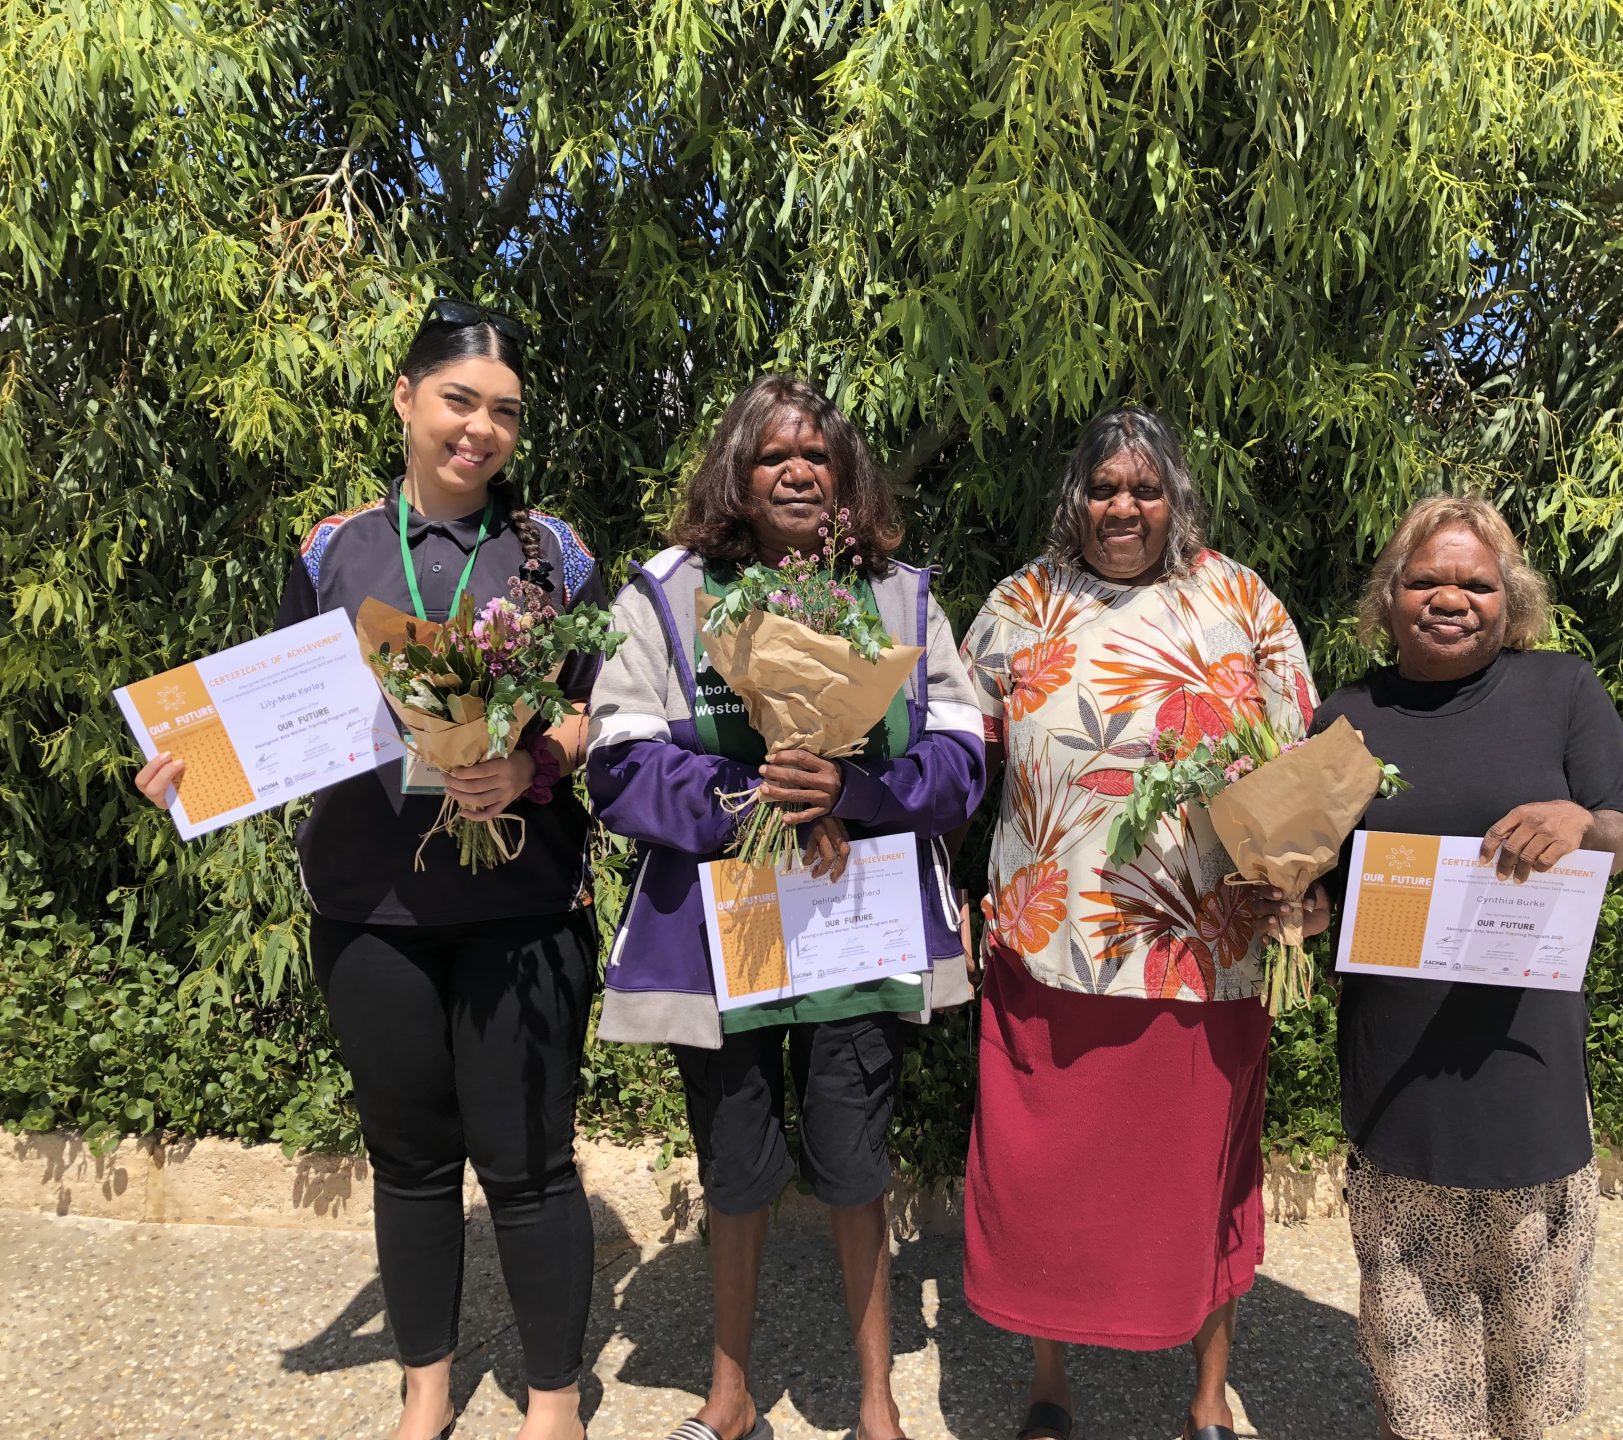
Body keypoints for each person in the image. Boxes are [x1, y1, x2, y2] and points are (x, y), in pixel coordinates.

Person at [132, 300, 605, 1440]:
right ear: (405, 399)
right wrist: (189, 766)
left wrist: (533, 758)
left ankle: (553, 1405)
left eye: (503, 413)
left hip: (522, 902)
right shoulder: (331, 547)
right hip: (371, 907)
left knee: (532, 1166)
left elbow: (596, 710)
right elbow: (273, 707)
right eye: (458, 401)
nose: (479, 430)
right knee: (408, 1161)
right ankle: (426, 1395)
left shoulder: (554, 553)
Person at [585, 375, 985, 1440]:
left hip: (855, 911)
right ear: (737, 475)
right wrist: (745, 799)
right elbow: (620, 763)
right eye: (773, 456)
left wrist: (851, 791)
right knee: (736, 1163)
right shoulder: (667, 594)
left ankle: (875, 1402)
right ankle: (729, 1397)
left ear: (848, 477)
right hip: (726, 923)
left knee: (856, 1160)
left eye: (818, 455)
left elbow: (962, 757)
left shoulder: (901, 596)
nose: (798, 471)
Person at [958, 408, 1324, 1440]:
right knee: (1047, 1187)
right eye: (1104, 486)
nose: (1124, 505)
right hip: (1049, 941)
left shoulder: (1240, 599)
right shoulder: (1020, 603)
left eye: (1145, 488)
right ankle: (1048, 1384)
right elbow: (952, 757)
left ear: (1177, 500)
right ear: (1074, 495)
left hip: (1201, 950)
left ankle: (1208, 1400)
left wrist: (1293, 874)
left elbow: (1298, 767)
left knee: (1202, 1179)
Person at [1312, 495, 1623, 1440]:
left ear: (1512, 600)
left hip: (1526, 1065)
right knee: (1415, 1359)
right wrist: (1292, 908)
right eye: (1425, 580)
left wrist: (1584, 824)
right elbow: (1317, 878)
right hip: (1396, 1072)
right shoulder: (1344, 718)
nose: (1450, 597)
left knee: (1533, 1364)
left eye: (1475, 582)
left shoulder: (1563, 690)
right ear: (1389, 598)